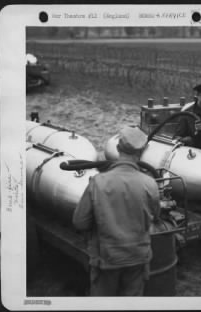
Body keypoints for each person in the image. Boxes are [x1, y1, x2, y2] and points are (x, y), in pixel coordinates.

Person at [72, 126, 160, 296]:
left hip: (107, 259)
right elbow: (155, 216)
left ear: (118, 149)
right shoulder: (150, 184)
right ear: (141, 153)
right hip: (138, 258)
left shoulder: (98, 182)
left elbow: (80, 222)